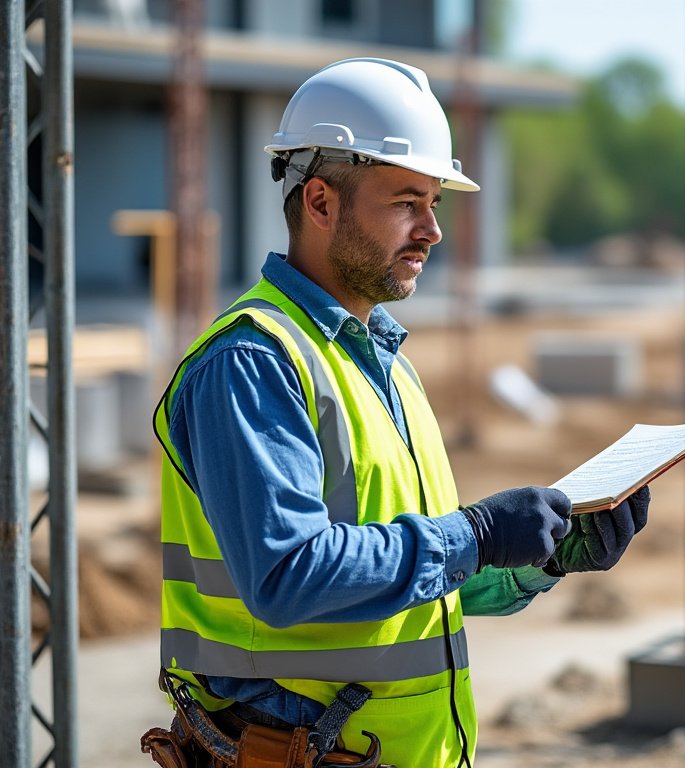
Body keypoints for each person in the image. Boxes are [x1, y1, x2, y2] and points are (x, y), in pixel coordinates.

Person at [144, 57, 650, 768]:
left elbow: (416, 581)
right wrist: (475, 531)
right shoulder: (253, 362)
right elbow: (288, 576)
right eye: (407, 201)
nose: (431, 230)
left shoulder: (383, 364)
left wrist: (544, 556)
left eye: (435, 203)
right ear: (320, 203)